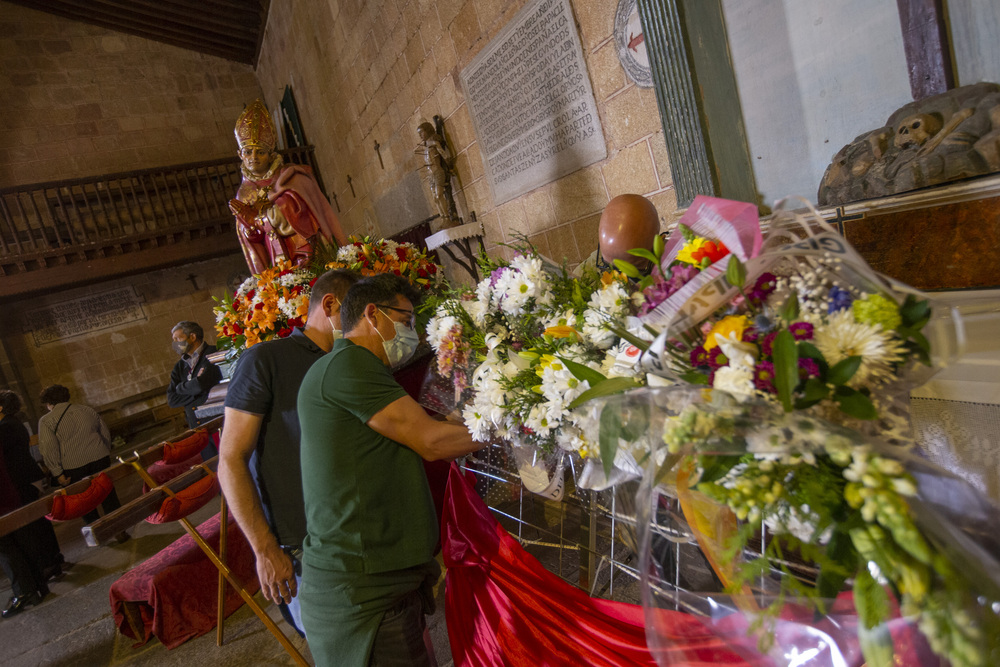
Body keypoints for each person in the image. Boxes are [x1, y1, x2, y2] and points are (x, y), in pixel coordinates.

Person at [297, 274, 484, 666]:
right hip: (365, 590)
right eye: (407, 320)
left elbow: (425, 428)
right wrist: (510, 426)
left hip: (378, 579)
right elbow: (430, 442)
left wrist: (475, 413)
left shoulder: (354, 368)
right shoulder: (348, 364)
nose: (411, 332)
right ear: (373, 313)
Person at [217, 268, 359, 637]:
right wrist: (265, 549)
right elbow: (230, 460)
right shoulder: (266, 360)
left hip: (359, 531)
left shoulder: (353, 361)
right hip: (303, 546)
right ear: (330, 305)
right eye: (359, 313)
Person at [229, 98, 347, 274]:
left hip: (307, 245)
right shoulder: (244, 195)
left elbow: (298, 209)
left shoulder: (291, 175)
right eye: (247, 152)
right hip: (279, 258)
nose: (253, 157)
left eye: (260, 152)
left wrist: (260, 219)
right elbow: (254, 241)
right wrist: (251, 230)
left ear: (270, 154)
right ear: (240, 154)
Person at [0, 390, 64, 618]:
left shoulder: (6, 427)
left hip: (18, 484)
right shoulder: (12, 423)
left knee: (29, 531)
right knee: (31, 529)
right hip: (19, 483)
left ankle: (46, 568)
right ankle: (46, 570)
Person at [37, 385, 124, 531]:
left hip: (73, 466)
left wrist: (58, 473)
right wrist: (104, 451)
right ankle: (119, 528)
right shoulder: (87, 410)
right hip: (100, 457)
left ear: (49, 403)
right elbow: (104, 433)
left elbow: (48, 449)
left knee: (83, 501)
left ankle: (98, 530)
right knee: (108, 493)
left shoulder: (46, 421)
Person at [167, 321, 224, 435]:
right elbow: (172, 399)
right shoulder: (179, 367)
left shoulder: (214, 353)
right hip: (197, 429)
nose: (174, 344)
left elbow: (201, 384)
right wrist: (196, 387)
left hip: (218, 423)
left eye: (177, 339)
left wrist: (180, 388)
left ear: (192, 337)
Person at [414, 121, 456, 229]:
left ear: (427, 131)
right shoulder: (426, 146)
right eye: (419, 134)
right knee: (435, 198)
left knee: (439, 195)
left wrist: (450, 167)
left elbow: (443, 154)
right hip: (430, 174)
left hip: (438, 171)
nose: (420, 136)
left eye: (421, 133)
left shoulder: (434, 142)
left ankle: (447, 218)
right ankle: (443, 219)